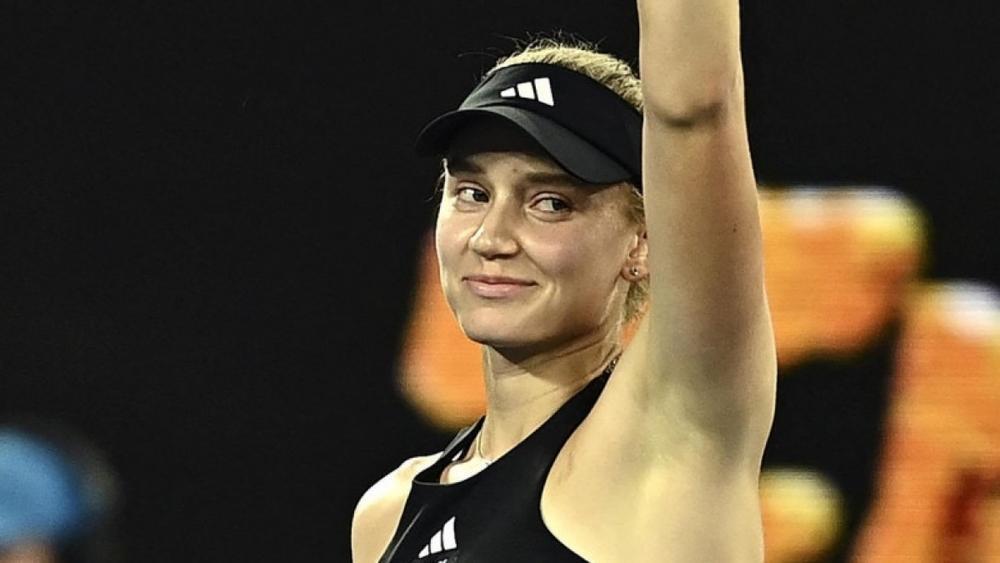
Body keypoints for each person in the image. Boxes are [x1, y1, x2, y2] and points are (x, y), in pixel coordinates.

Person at [352, 0, 776, 559]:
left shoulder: (671, 440)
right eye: (472, 193)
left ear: (643, 243)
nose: (490, 238)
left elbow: (694, 109)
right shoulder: (385, 514)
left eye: (550, 203)